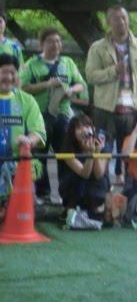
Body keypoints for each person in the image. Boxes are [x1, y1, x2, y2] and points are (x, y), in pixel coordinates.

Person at [85, 4, 137, 185]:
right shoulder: (97, 47)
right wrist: (113, 71)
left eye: (124, 18)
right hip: (105, 108)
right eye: (116, 18)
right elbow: (91, 76)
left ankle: (132, 191)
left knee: (133, 152)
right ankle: (102, 191)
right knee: (103, 150)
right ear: (108, 22)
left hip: (133, 108)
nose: (121, 22)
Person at [20, 27, 87, 202]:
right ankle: (41, 192)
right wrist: (47, 84)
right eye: (50, 41)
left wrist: (71, 90)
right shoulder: (31, 64)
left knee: (65, 152)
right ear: (42, 44)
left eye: (58, 41)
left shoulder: (68, 63)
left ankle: (64, 192)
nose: (55, 44)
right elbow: (22, 87)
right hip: (39, 115)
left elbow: (81, 84)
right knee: (39, 154)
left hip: (63, 114)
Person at [0, 53, 46, 223]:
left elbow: (38, 132)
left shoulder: (28, 101)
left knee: (23, 212)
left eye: (13, 72)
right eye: (4, 72)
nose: (9, 77)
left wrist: (29, 140)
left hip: (18, 165)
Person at [58, 113, 110, 221]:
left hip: (95, 187)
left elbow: (99, 174)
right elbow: (84, 174)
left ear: (93, 129)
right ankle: (71, 208)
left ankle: (96, 208)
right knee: (78, 178)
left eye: (87, 126)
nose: (84, 130)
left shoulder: (101, 145)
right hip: (73, 187)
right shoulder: (68, 149)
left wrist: (97, 153)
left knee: (101, 180)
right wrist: (90, 154)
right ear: (72, 132)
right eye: (78, 128)